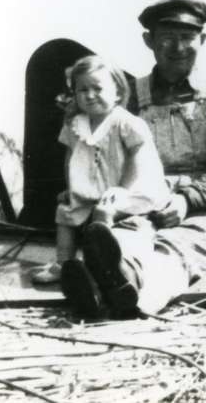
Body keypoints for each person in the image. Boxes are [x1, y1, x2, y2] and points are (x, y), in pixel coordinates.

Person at [60, 0, 206, 318]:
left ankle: (128, 289)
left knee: (176, 251)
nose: (178, 47)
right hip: (144, 200)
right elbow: (101, 147)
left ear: (202, 39)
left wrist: (188, 199)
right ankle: (98, 285)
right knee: (123, 237)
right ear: (149, 41)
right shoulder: (132, 94)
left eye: (187, 37)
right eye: (166, 38)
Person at [32, 55, 169, 286]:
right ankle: (64, 264)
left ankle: (101, 268)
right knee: (65, 213)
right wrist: (72, 188)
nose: (90, 95)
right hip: (91, 189)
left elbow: (138, 158)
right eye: (82, 89)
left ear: (117, 92)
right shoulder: (75, 123)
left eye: (97, 88)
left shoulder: (125, 123)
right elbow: (70, 157)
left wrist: (121, 189)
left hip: (129, 189)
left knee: (103, 214)